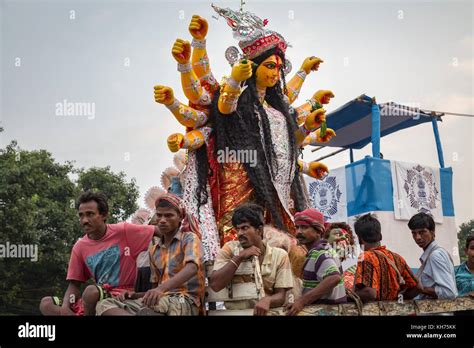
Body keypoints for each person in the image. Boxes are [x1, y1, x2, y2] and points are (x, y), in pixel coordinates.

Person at [39, 191, 158, 316]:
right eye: (81, 215)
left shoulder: (124, 231)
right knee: (46, 303)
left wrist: (177, 244)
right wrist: (65, 307)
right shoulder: (80, 247)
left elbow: (157, 230)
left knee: (91, 292)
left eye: (90, 214)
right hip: (97, 297)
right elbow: (74, 284)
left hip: (122, 296)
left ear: (104, 215)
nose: (84, 220)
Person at [95, 193, 205, 316]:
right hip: (161, 301)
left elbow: (192, 268)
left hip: (185, 301)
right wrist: (134, 295)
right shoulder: (154, 251)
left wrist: (160, 289)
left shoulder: (189, 238)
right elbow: (154, 291)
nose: (162, 220)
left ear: (180, 217)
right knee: (104, 304)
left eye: (169, 215)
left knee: (154, 305)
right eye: (159, 215)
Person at [209, 204, 293, 316]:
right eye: (237, 229)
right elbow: (215, 285)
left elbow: (281, 296)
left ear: (259, 230)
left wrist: (267, 300)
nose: (239, 234)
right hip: (234, 313)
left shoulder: (279, 255)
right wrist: (239, 257)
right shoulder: (229, 249)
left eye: (244, 228)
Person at [285, 209, 346, 316]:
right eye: (297, 227)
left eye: (304, 227)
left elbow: (334, 278)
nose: (299, 232)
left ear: (318, 231)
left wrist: (302, 301)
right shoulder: (326, 250)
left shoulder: (320, 253)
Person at [354, 213, 419, 302]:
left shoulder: (366, 257)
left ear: (359, 239)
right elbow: (417, 287)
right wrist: (398, 299)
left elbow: (370, 293)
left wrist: (348, 296)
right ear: (380, 236)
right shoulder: (397, 258)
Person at [408, 212, 458, 300]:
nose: (417, 237)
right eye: (414, 233)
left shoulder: (435, 256)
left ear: (432, 232)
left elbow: (449, 293)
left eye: (422, 232)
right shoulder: (434, 254)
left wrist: (422, 289)